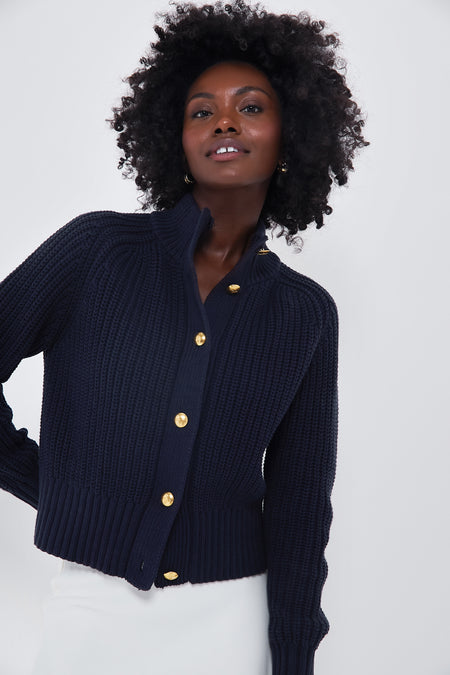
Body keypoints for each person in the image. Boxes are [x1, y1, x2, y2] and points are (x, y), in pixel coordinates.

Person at [0, 1, 368, 673]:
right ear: (175, 137)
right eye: (202, 111)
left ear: (293, 134)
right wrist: (48, 483)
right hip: (91, 608)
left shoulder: (305, 313)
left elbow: (300, 506)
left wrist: (292, 656)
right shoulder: (96, 252)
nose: (225, 121)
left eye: (250, 107)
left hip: (232, 618)